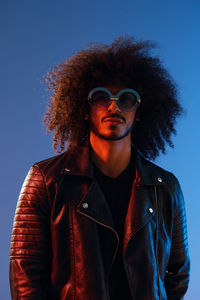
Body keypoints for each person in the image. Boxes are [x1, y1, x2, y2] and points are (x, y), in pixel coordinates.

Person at [9, 36, 190, 300]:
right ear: (84, 108)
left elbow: (178, 273)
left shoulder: (165, 187)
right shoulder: (46, 180)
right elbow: (25, 273)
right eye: (101, 97)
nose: (113, 105)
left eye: (126, 98)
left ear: (139, 111)